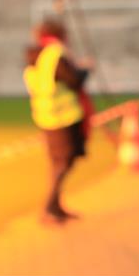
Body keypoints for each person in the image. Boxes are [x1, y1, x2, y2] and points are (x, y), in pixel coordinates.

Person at [23, 18, 92, 225]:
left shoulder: (37, 54)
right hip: (63, 117)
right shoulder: (55, 54)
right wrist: (85, 69)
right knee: (63, 162)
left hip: (47, 116)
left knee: (58, 162)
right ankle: (50, 206)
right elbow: (72, 80)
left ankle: (55, 206)